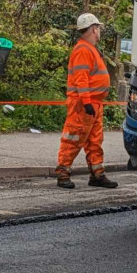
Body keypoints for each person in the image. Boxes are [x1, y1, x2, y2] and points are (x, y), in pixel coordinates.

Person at [55, 13, 119, 189]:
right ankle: (62, 173)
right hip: (84, 104)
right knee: (73, 138)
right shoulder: (83, 50)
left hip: (93, 103)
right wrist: (86, 102)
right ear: (93, 29)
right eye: (98, 28)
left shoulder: (88, 48)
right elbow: (81, 79)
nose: (99, 32)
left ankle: (97, 174)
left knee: (94, 141)